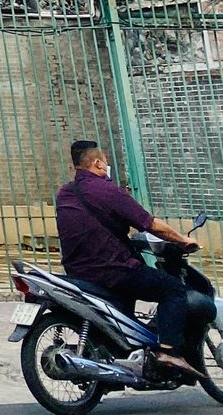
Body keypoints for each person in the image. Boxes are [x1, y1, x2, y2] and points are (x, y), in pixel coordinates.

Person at [54, 139, 205, 377]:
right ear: (98, 163)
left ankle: (122, 357)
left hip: (78, 272)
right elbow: (150, 224)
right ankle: (167, 352)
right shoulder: (107, 190)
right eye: (105, 161)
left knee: (126, 306)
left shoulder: (64, 193)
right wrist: (182, 240)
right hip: (114, 270)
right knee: (174, 291)